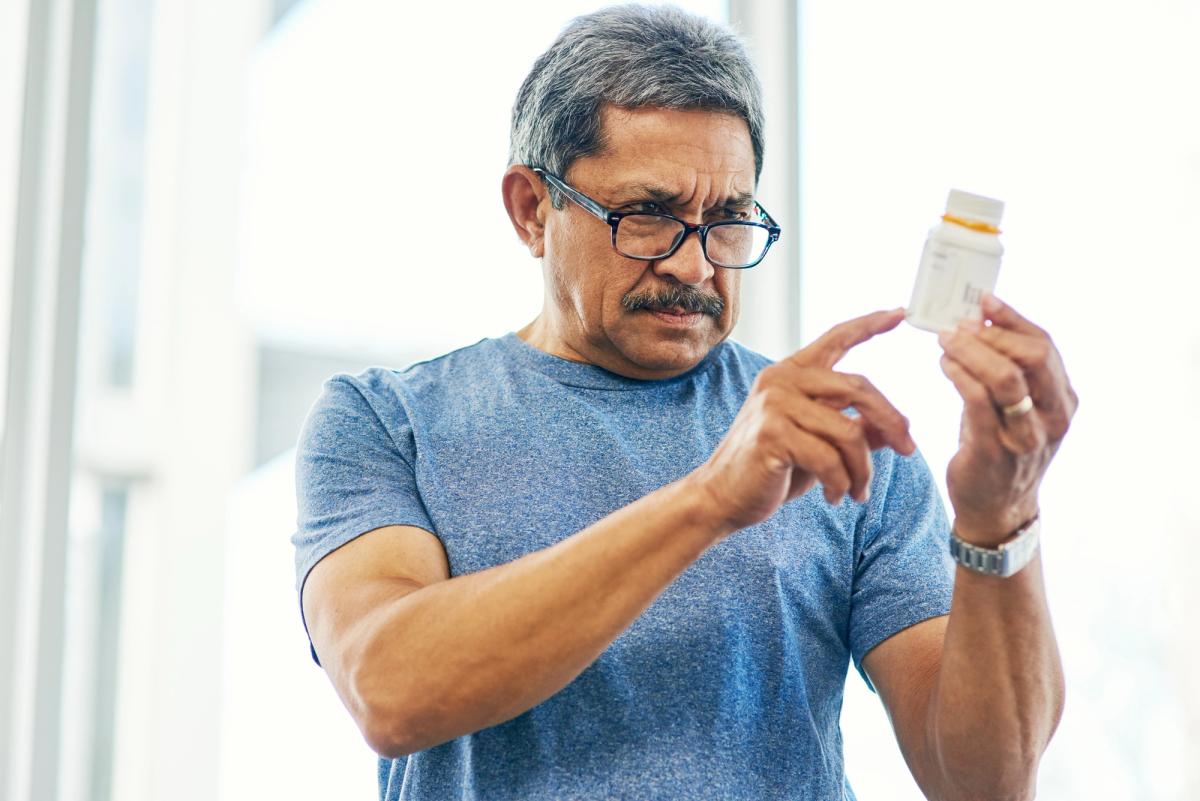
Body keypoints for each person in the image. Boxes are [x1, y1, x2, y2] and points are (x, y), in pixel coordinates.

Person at [291, 5, 1077, 800]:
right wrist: (708, 499)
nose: (697, 267)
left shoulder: (839, 439)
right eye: (650, 217)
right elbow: (389, 687)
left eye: (729, 220)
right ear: (533, 209)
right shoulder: (386, 422)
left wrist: (999, 517)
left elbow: (985, 781)